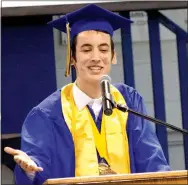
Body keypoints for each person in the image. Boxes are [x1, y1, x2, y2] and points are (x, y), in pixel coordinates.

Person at [4, 4, 170, 185]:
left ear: (113, 56)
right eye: (86, 49)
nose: (96, 57)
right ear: (72, 58)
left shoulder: (128, 101)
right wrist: (29, 171)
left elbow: (151, 160)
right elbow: (37, 167)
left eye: (104, 49)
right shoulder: (47, 114)